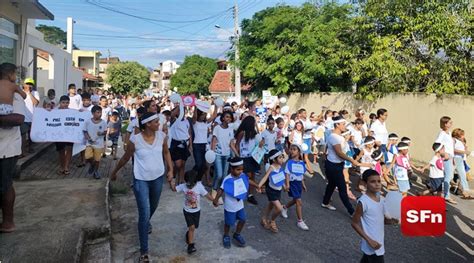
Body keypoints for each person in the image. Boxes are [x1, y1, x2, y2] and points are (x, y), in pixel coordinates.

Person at [110, 112, 174, 262]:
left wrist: (170, 170)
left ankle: (144, 224)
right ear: (147, 124)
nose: (159, 124)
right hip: (141, 180)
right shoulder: (135, 140)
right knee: (144, 214)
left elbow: (166, 153)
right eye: (156, 122)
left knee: (153, 207)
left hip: (157, 178)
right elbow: (126, 157)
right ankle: (144, 251)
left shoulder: (162, 137)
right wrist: (114, 172)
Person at [351, 169, 398, 263]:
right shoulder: (363, 202)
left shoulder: (382, 200)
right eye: (372, 181)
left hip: (378, 241)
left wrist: (394, 221)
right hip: (372, 243)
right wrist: (369, 240)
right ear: (365, 184)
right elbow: (354, 223)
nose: (377, 184)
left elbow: (382, 220)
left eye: (379, 181)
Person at [213, 157, 256, 249]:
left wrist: (257, 185)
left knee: (243, 219)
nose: (240, 171)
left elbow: (248, 180)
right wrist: (216, 199)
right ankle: (226, 235)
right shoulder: (227, 179)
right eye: (238, 169)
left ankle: (237, 234)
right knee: (229, 223)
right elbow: (221, 190)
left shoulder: (242, 176)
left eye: (242, 169)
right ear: (231, 169)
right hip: (230, 206)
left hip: (240, 205)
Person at [321, 116, 360, 216]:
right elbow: (339, 152)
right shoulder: (333, 137)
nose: (344, 126)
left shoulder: (339, 137)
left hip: (337, 164)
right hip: (333, 166)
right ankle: (352, 212)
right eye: (343, 124)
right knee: (342, 189)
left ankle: (325, 202)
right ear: (337, 124)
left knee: (331, 185)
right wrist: (352, 160)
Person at [0, 89, 26, 233]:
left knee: (5, 185)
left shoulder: (15, 96)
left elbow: (18, 119)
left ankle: (8, 222)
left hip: (7, 148)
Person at [173, 170, 213, 254]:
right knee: (192, 227)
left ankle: (188, 235)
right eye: (188, 185)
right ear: (185, 181)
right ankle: (190, 246)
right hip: (187, 211)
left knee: (194, 227)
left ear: (196, 182)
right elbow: (174, 189)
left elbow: (207, 195)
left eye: (192, 185)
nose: (190, 187)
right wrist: (171, 181)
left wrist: (215, 201)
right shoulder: (183, 186)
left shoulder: (199, 186)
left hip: (197, 211)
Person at [231, 115, 262, 205]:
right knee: (245, 176)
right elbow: (237, 144)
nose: (254, 124)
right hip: (243, 157)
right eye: (253, 123)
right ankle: (239, 192)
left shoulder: (254, 133)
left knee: (252, 175)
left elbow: (257, 143)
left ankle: (250, 195)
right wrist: (238, 155)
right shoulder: (242, 133)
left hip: (253, 157)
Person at [281, 144, 309, 230]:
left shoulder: (301, 163)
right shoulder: (289, 162)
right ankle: (300, 221)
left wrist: (303, 184)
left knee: (295, 200)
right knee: (299, 201)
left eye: (294, 149)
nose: (292, 151)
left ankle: (284, 207)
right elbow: (287, 174)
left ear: (299, 152)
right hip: (292, 184)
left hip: (298, 184)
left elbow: (301, 175)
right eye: (291, 149)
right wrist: (287, 184)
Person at [258, 150, 286, 233]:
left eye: (282, 157)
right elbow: (265, 177)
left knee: (271, 205)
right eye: (280, 158)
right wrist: (259, 186)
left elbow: (281, 177)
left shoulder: (280, 167)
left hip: (278, 190)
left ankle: (263, 219)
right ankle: (272, 221)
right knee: (279, 208)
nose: (282, 159)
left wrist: (284, 186)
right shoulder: (271, 167)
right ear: (274, 160)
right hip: (271, 191)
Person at [211, 111, 234, 200]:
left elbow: (231, 143)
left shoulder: (231, 129)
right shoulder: (217, 128)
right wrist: (212, 153)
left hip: (227, 155)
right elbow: (214, 140)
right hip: (218, 154)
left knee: (224, 176)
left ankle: (218, 193)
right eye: (227, 117)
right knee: (219, 174)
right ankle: (214, 189)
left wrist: (236, 154)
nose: (228, 119)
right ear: (223, 118)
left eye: (230, 117)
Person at [435, 116, 457, 204]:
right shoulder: (442, 133)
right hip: (446, 158)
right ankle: (446, 196)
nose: (452, 124)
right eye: (450, 123)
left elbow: (450, 146)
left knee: (448, 176)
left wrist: (453, 157)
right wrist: (444, 154)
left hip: (451, 157)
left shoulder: (449, 133)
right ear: (445, 124)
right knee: (448, 177)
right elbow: (436, 145)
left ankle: (432, 188)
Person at [169, 105, 192, 184]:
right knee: (178, 164)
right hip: (176, 145)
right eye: (180, 111)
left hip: (185, 144)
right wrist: (180, 105)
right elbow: (171, 114)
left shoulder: (186, 121)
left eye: (183, 111)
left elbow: (189, 134)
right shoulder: (174, 120)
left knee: (183, 164)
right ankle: (173, 176)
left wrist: (190, 145)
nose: (182, 112)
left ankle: (181, 180)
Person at [83, 105, 107, 179]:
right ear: (93, 113)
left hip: (99, 144)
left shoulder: (103, 122)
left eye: (101, 112)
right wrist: (87, 137)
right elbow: (84, 131)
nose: (100, 114)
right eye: (98, 112)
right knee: (87, 156)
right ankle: (92, 165)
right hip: (89, 143)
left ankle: (96, 171)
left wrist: (101, 133)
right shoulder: (88, 122)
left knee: (97, 159)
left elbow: (105, 132)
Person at [451, 128, 473, 199]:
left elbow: (463, 152)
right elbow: (453, 150)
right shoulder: (453, 140)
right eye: (462, 135)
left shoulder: (460, 142)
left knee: (463, 175)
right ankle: (432, 186)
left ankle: (465, 192)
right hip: (455, 158)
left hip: (460, 159)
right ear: (458, 135)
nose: (463, 136)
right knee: (449, 176)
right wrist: (464, 152)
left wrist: (465, 149)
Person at [21, 78, 39, 156]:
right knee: (23, 136)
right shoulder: (21, 93)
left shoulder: (35, 93)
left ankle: (30, 148)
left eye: (30, 84)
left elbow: (36, 103)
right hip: (24, 118)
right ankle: (22, 152)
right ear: (24, 85)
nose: (29, 85)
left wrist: (29, 93)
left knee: (31, 135)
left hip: (33, 118)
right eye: (27, 84)